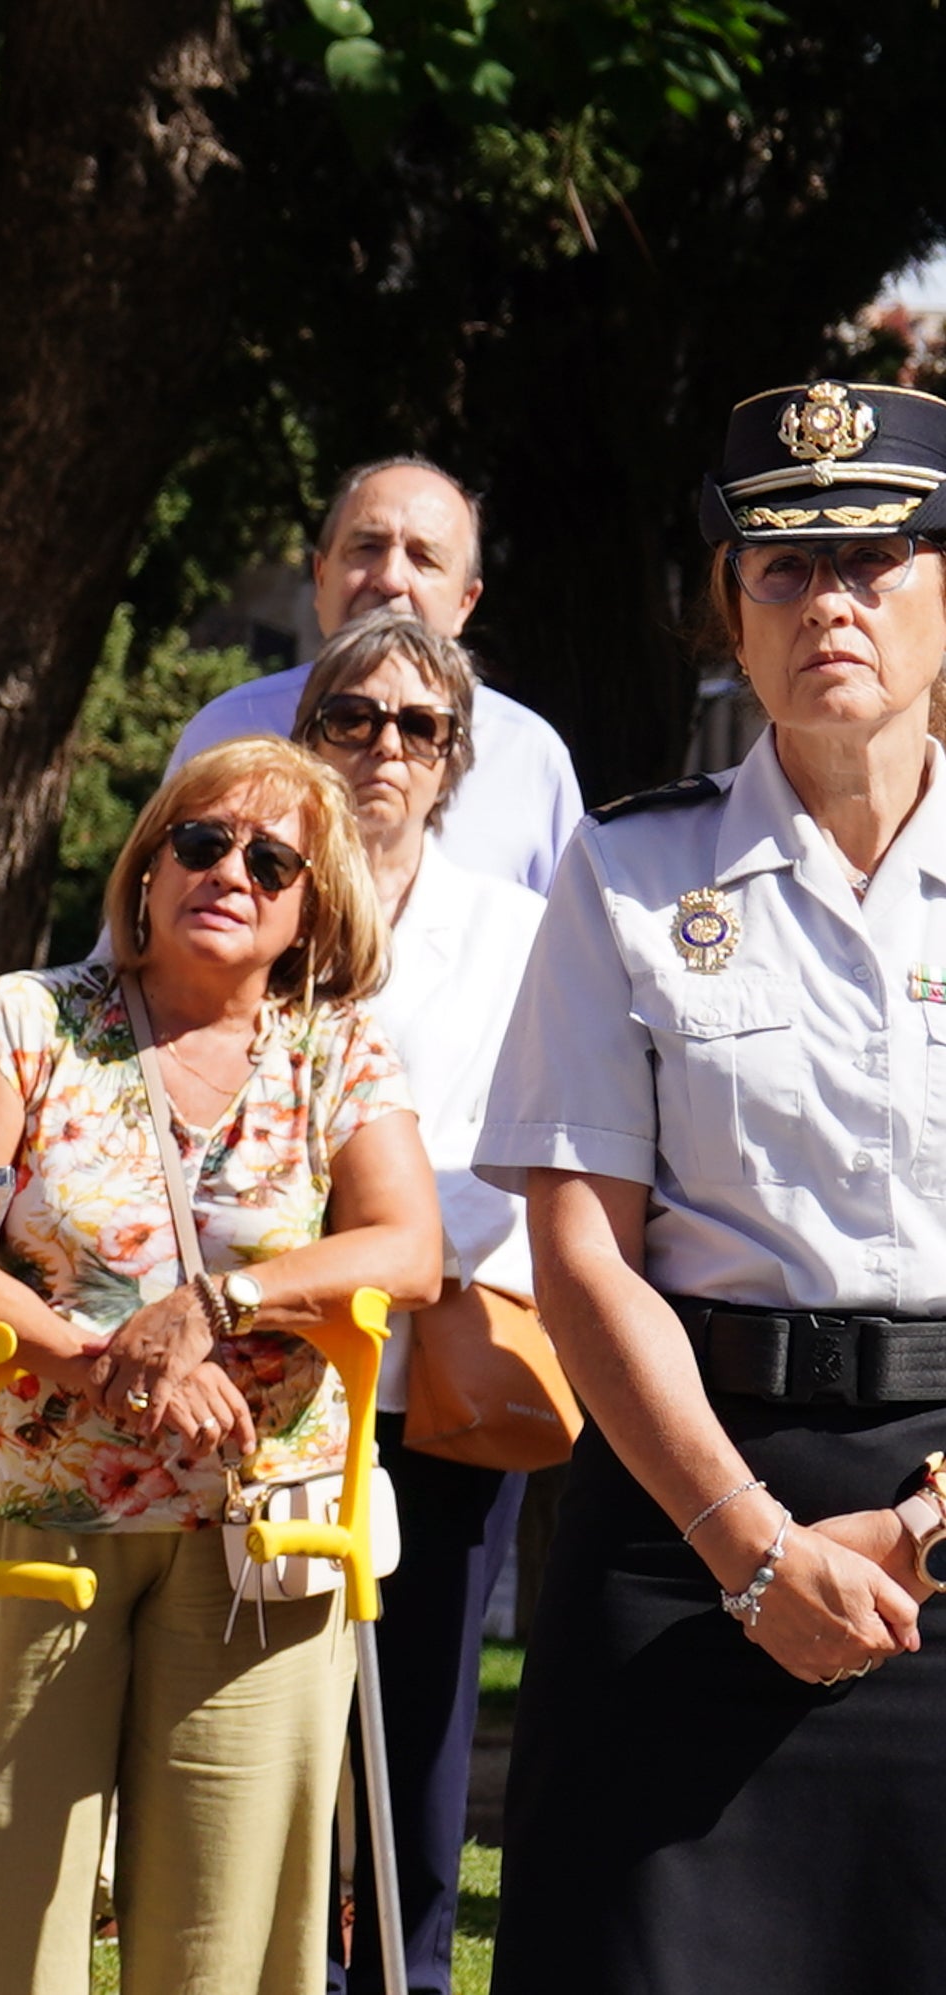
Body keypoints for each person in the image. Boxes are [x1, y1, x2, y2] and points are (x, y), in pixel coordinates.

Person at [477, 378, 946, 1991]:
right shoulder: (628, 873)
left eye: (876, 560)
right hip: (684, 1519)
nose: (831, 603)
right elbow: (581, 1255)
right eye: (784, 570)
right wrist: (749, 1545)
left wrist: (936, 1525)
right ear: (731, 619)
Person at [0, 735, 442, 1995]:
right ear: (147, 866)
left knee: (230, 1939)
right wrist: (100, 1357)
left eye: (274, 860)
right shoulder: (27, 1021)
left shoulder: (337, 1051)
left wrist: (221, 1302)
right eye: (202, 841)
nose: (232, 870)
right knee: (6, 1926)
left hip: (259, 1535)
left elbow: (409, 1249)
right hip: (36, 1529)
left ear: (312, 911)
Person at [285, 610, 546, 1995]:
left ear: (454, 761)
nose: (385, 745)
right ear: (308, 735)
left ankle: (412, 1963)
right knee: (269, 1707)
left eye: (418, 725)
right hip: (264, 1375)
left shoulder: (517, 932)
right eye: (354, 716)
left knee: (424, 1704)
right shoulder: (250, 894)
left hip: (431, 1376)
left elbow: (541, 1143)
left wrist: (404, 1247)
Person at [167, 456, 582, 894]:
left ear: (466, 602)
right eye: (367, 547)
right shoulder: (228, 732)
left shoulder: (529, 758)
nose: (390, 578)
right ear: (321, 576)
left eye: (424, 558)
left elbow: (572, 951)